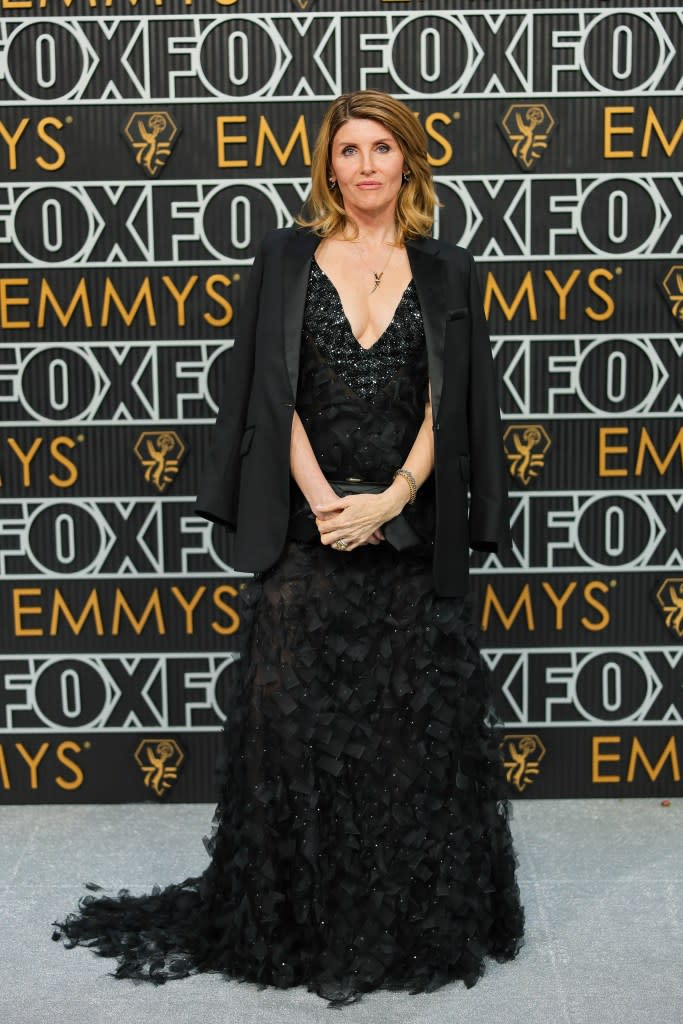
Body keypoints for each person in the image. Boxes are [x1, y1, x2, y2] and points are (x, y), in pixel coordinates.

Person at [52, 90, 525, 1007]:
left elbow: (449, 406)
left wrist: (390, 498)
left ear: (408, 162)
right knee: (294, 726)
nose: (364, 167)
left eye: (380, 148)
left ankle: (401, 922)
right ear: (327, 166)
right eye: (347, 150)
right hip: (308, 526)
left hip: (405, 528)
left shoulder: (448, 270)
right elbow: (274, 396)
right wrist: (325, 504)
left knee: (405, 737)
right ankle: (302, 922)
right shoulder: (282, 259)